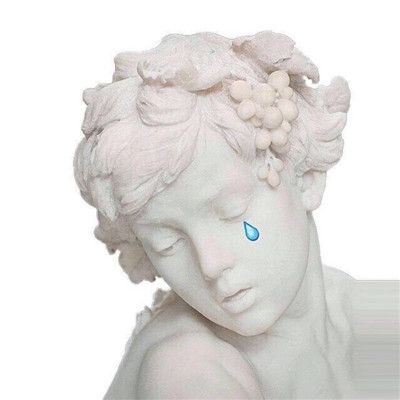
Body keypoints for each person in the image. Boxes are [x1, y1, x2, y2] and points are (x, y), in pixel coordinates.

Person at [74, 31, 397, 399]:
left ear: (306, 177)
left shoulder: (364, 312)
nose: (210, 264)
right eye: (168, 244)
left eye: (231, 213)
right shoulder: (186, 371)